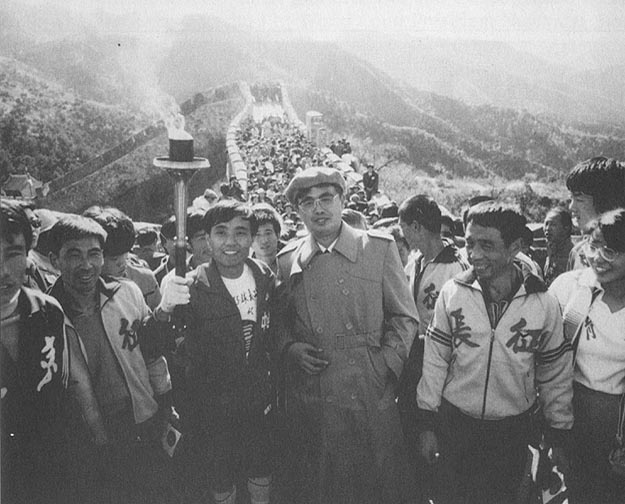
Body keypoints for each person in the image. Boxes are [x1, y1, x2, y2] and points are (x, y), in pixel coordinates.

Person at [276, 167, 418, 504]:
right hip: (315, 394)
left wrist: (382, 365)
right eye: (307, 203)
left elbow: (405, 317)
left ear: (343, 201)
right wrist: (291, 348)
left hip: (368, 391)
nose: (318, 209)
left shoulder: (378, 249)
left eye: (326, 199)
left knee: (377, 482)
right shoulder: (287, 261)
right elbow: (279, 324)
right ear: (298, 212)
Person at [417, 201, 574, 504]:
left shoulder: (543, 304)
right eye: (470, 243)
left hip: (511, 432)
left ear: (515, 246)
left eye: (487, 245)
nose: (474, 254)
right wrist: (426, 423)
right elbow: (435, 360)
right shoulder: (452, 294)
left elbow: (554, 374)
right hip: (455, 425)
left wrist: (558, 434)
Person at [47, 214, 181, 504]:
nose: (86, 265)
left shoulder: (127, 293)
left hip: (145, 419)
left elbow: (153, 355)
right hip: (92, 440)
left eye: (94, 254)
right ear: (53, 259)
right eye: (73, 254)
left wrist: (166, 404)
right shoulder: (45, 318)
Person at [161, 200, 279, 504]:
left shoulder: (264, 275)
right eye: (221, 232)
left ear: (252, 238)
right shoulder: (191, 285)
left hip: (257, 400)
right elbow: (152, 343)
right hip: (211, 408)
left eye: (241, 232)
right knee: (221, 478)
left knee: (261, 469)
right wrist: (164, 308)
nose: (230, 242)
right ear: (207, 238)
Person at [0, 200, 108, 503]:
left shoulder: (47, 311)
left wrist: (99, 445)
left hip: (54, 472)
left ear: (27, 254)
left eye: (12, 254)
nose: (3, 272)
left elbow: (76, 382)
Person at [549, 208, 625, 504]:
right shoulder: (571, 288)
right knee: (578, 490)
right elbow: (548, 355)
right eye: (594, 246)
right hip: (573, 413)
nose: (598, 258)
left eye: (612, 250)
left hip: (616, 421)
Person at [397, 194, 469, 469]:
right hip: (414, 359)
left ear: (416, 227)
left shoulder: (455, 268)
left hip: (443, 364)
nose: (403, 236)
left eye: (404, 229)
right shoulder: (415, 261)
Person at [83, 206, 162, 310]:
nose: (122, 263)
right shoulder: (79, 285)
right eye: (114, 259)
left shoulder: (143, 280)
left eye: (125, 254)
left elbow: (159, 321)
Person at [565, 156, 625, 270]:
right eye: (571, 198)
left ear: (606, 203)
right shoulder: (577, 254)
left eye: (579, 199)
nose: (571, 207)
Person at [543, 207, 574, 286]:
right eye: (546, 224)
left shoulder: (573, 255)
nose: (547, 229)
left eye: (553, 225)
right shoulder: (551, 251)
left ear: (566, 228)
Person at [251, 202, 284, 274]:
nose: (264, 240)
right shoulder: (244, 269)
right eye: (257, 235)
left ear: (278, 235)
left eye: (268, 233)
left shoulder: (290, 263)